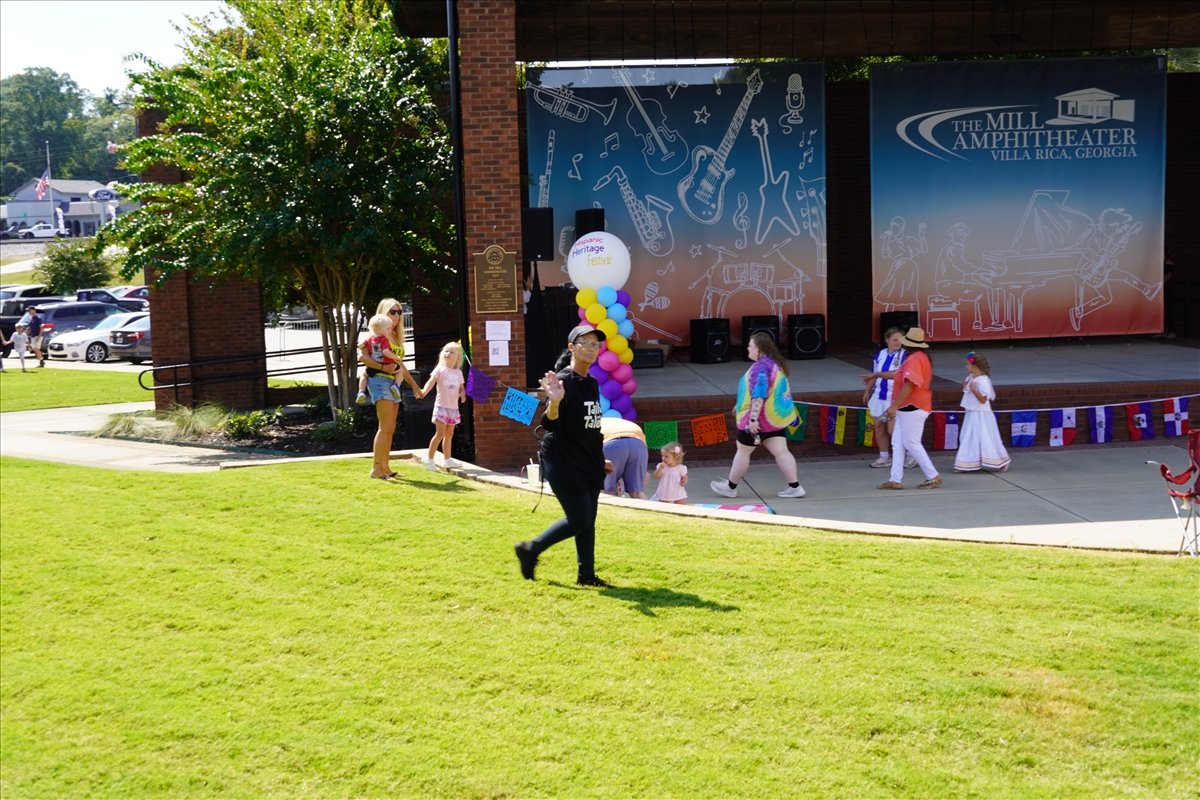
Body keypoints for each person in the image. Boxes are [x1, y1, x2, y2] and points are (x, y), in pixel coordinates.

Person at [514, 325, 614, 587]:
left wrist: (598, 459)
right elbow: (549, 423)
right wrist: (555, 402)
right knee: (579, 519)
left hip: (588, 458)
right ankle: (531, 548)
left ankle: (586, 576)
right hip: (562, 459)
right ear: (571, 348)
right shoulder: (563, 381)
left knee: (588, 520)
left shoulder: (591, 382)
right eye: (585, 343)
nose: (592, 349)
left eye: (596, 344)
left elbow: (589, 426)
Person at [710, 331, 805, 499]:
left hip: (758, 421)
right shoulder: (774, 364)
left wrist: (752, 419)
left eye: (750, 345)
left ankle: (730, 487)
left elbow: (759, 394)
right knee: (781, 452)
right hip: (774, 420)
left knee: (743, 451)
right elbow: (763, 392)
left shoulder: (760, 368)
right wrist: (740, 404)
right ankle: (795, 487)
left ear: (759, 348)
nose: (747, 348)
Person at [360, 297, 424, 481]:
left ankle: (385, 468)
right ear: (383, 313)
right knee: (384, 426)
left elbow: (400, 366)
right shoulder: (378, 335)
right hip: (380, 381)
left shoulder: (394, 336)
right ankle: (376, 469)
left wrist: (414, 385)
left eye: (399, 312)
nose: (396, 316)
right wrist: (383, 368)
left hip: (393, 383)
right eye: (392, 311)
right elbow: (362, 357)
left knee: (390, 427)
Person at [876, 327, 942, 490]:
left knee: (911, 442)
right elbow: (898, 375)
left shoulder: (914, 359)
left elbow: (909, 384)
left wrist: (894, 406)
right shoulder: (916, 357)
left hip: (913, 406)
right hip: (908, 406)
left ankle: (933, 476)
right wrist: (876, 375)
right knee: (898, 443)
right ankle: (895, 479)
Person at [860, 327, 915, 470]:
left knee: (893, 429)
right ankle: (884, 457)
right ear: (887, 340)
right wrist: (867, 391)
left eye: (900, 340)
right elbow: (874, 374)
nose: (898, 343)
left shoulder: (906, 355)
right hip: (879, 397)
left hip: (895, 398)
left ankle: (910, 455)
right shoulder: (880, 354)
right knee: (879, 427)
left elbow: (902, 375)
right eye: (894, 340)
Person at [953, 352, 1010, 473]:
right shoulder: (971, 377)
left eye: (968, 365)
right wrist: (966, 386)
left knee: (988, 438)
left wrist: (973, 389)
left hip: (982, 415)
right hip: (972, 413)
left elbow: (983, 400)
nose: (966, 367)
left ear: (975, 366)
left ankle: (1003, 461)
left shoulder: (983, 381)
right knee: (968, 437)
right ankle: (966, 464)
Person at [420, 342, 466, 471]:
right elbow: (431, 382)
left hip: (454, 408)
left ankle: (447, 460)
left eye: (451, 352)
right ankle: (429, 459)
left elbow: (461, 388)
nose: (448, 353)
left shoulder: (458, 372)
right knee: (440, 433)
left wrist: (463, 394)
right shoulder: (440, 369)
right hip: (441, 407)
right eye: (446, 351)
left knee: (449, 435)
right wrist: (424, 391)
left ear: (457, 356)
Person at [357, 314, 403, 404]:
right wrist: (396, 357)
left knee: (364, 375)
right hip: (387, 364)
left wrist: (362, 345)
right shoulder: (384, 339)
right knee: (400, 370)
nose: (390, 330)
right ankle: (396, 386)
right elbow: (386, 352)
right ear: (378, 329)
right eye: (388, 328)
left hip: (374, 365)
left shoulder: (370, 339)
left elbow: (360, 345)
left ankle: (361, 391)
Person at [601, 416, 649, 499]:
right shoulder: (614, 421)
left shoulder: (590, 423)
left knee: (607, 490)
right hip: (638, 442)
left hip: (612, 443)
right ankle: (647, 507)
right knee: (637, 493)